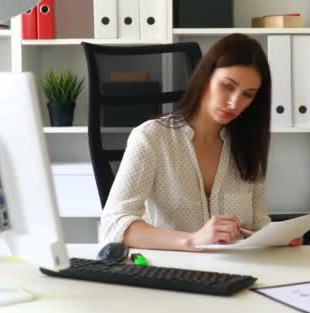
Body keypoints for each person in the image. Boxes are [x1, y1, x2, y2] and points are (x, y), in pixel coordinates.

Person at [99, 33, 273, 251]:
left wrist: (278, 239)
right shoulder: (151, 138)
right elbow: (113, 225)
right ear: (205, 78)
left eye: (248, 94)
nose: (234, 102)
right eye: (227, 86)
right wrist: (192, 240)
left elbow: (258, 224)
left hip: (236, 271)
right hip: (171, 273)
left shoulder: (249, 144)